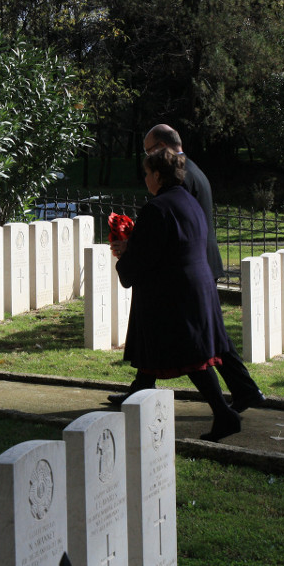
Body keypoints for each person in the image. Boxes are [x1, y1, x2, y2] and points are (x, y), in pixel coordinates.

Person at [108, 146, 241, 442]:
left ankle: (224, 414)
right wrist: (135, 247)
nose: (145, 179)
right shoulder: (188, 202)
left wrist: (124, 257)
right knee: (166, 353)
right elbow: (170, 244)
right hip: (196, 286)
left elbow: (146, 256)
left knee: (194, 358)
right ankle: (136, 400)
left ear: (157, 174)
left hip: (175, 294)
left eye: (146, 173)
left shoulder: (157, 208)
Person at [138, 124, 265, 413]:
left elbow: (177, 225)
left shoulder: (180, 178)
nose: (146, 158)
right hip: (202, 264)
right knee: (210, 334)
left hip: (192, 267)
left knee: (206, 337)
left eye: (149, 151)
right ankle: (140, 387)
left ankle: (242, 394)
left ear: (162, 148)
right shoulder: (194, 169)